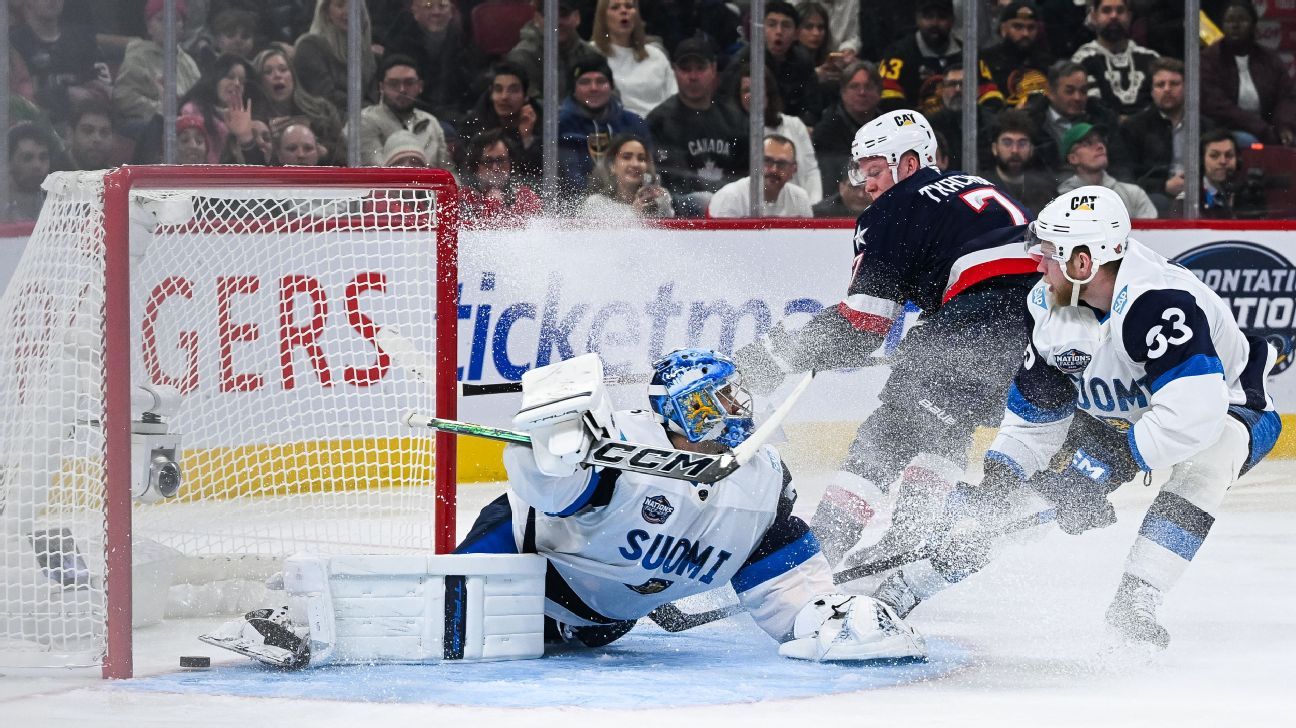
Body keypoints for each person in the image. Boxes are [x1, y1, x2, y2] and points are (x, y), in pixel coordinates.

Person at [204, 350, 928, 667]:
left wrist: (830, 619)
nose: (737, 411)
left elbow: (784, 594)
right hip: (519, 572)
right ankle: (308, 619)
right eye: (717, 401)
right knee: (444, 624)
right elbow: (550, 490)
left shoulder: (761, 484)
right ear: (680, 411)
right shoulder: (618, 459)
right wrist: (552, 445)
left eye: (736, 396)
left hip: (599, 629)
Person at [869, 185, 1281, 650]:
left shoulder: (1159, 304)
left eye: (1048, 252)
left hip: (1228, 405)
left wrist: (1101, 470)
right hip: (1118, 413)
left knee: (1213, 453)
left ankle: (1137, 602)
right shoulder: (1047, 305)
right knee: (1016, 507)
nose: (1037, 263)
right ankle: (902, 591)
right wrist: (1001, 482)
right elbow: (1037, 415)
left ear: (1083, 262)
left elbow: (1193, 416)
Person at [734, 109, 1039, 567]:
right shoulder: (975, 185)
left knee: (891, 431)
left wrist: (777, 357)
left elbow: (862, 326)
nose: (866, 185)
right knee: (945, 421)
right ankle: (914, 532)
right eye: (862, 171)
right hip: (1039, 334)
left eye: (875, 171)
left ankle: (822, 551)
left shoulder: (894, 209)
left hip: (978, 320)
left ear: (910, 164)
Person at [644, 38, 747, 218]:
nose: (693, 76)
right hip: (681, 216)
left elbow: (746, 175)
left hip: (731, 212)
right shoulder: (659, 121)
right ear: (674, 71)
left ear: (714, 69)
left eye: (700, 68)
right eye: (686, 69)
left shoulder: (735, 119)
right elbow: (663, 182)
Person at [1200, 0, 1296, 147]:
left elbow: (1285, 98)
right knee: (1249, 141)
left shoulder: (1270, 59)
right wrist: (1261, 128)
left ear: (1253, 25)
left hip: (1268, 127)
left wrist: (1284, 127)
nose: (1235, 26)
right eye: (1229, 20)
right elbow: (1217, 105)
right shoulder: (1208, 59)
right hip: (1224, 129)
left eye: (1242, 20)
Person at [1119, 57, 1204, 216]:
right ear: (1152, 91)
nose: (1167, 89)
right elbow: (1127, 177)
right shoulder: (1134, 127)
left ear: (1187, 87)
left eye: (1174, 84)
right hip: (1157, 197)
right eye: (1160, 85)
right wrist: (1164, 186)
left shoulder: (1203, 126)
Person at [557, 58, 652, 199]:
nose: (593, 88)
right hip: (580, 208)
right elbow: (569, 180)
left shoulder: (633, 123)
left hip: (631, 201)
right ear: (574, 89)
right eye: (585, 82)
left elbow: (651, 168)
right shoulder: (560, 125)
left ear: (611, 86)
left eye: (601, 81)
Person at [9, 0, 112, 126]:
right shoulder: (12, 43)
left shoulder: (84, 39)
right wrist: (65, 95)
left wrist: (92, 96)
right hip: (35, 127)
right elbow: (16, 96)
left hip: (85, 124)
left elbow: (105, 88)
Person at [730, 65, 822, 203]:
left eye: (757, 90)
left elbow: (811, 171)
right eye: (746, 91)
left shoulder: (794, 125)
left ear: (769, 93)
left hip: (801, 207)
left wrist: (813, 206)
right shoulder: (735, 132)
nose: (751, 95)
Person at [723, 2, 825, 125]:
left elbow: (813, 108)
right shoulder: (744, 59)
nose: (779, 31)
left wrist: (797, 128)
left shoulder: (803, 61)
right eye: (772, 25)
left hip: (791, 129)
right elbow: (727, 105)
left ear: (796, 34)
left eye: (786, 26)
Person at [1022, 60, 1126, 180]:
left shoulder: (1102, 117)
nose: (1077, 97)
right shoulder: (1031, 123)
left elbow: (1121, 164)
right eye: (1069, 91)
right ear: (1050, 93)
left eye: (1083, 91)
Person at [113, 0, 202, 132]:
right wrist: (163, 110)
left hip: (189, 126)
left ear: (182, 27)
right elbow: (125, 97)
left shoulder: (189, 62)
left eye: (175, 20)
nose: (169, 25)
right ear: (149, 27)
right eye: (161, 19)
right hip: (153, 125)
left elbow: (201, 99)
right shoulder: (138, 56)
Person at [381, 0, 474, 124]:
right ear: (415, 12)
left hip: (454, 110)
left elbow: (468, 81)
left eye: (442, 6)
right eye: (428, 6)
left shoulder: (462, 38)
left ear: (451, 11)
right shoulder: (399, 43)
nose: (436, 12)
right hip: (411, 113)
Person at [355, 55, 454, 170]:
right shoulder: (364, 120)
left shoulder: (431, 123)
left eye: (409, 82)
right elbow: (376, 170)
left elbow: (448, 171)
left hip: (430, 187)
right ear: (381, 87)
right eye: (393, 83)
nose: (402, 89)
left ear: (420, 86)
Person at [253, 47, 346, 165]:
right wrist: (270, 140)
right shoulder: (256, 122)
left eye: (283, 69)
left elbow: (346, 152)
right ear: (260, 81)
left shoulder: (322, 109)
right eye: (268, 72)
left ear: (293, 75)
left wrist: (324, 151)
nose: (277, 75)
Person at [1070, 0, 1160, 119]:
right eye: (1106, 10)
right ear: (1094, 16)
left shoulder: (1151, 58)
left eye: (1120, 11)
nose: (1114, 16)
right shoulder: (1082, 60)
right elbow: (1087, 107)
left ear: (1129, 17)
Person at [460, 63, 543, 185]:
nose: (504, 97)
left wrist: (527, 138)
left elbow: (536, 178)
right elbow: (468, 174)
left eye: (513, 90)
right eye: (498, 89)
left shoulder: (542, 123)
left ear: (525, 97)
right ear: (490, 94)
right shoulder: (472, 126)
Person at [590, 0, 676, 118]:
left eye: (629, 6)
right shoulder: (591, 54)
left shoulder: (656, 55)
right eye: (615, 7)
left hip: (658, 127)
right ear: (603, 16)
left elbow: (673, 96)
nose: (624, 11)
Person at [507, 0, 604, 103]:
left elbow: (612, 98)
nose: (557, 22)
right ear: (537, 19)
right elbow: (530, 105)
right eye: (549, 15)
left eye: (563, 14)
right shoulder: (521, 58)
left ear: (577, 17)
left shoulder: (592, 55)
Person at [1057, 123, 1158, 219]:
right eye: (1088, 143)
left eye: (1101, 141)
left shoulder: (1134, 194)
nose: (1100, 146)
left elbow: (1150, 235)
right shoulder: (1062, 198)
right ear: (1073, 158)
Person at [293, 0, 377, 113]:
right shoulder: (309, 46)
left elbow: (374, 94)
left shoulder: (365, 51)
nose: (349, 11)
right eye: (340, 5)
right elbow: (326, 97)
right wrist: (370, 112)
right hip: (331, 119)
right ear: (326, 13)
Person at [877, 0, 961, 111]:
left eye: (942, 17)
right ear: (917, 18)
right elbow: (887, 99)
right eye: (928, 17)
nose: (935, 23)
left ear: (952, 20)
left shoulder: (967, 54)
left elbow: (988, 97)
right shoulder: (897, 54)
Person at [813, 61, 883, 192]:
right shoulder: (826, 131)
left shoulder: (889, 127)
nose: (862, 92)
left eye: (868, 86)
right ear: (843, 92)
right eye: (854, 86)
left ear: (879, 92)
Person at [708, 135, 813, 218]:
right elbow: (719, 244)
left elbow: (806, 243)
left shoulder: (800, 198)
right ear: (755, 162)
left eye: (782, 164)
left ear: (793, 170)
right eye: (767, 161)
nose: (773, 169)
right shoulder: (730, 197)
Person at [1171, 129, 1267, 220]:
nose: (1223, 161)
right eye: (1214, 156)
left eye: (1229, 155)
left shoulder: (1249, 195)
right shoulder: (1188, 201)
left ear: (1238, 160)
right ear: (1201, 161)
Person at [458, 128, 543, 227]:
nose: (495, 168)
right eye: (488, 161)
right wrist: (493, 204)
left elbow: (534, 229)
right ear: (475, 165)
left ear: (511, 163)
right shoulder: (464, 197)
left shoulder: (524, 196)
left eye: (501, 160)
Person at [579, 133, 674, 218]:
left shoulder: (660, 197)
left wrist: (662, 205)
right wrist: (634, 214)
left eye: (641, 159)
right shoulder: (596, 203)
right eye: (626, 157)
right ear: (612, 166)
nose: (635, 164)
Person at [983, 109, 1058, 215]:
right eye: (1007, 143)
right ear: (995, 148)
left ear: (1031, 149)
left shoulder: (1046, 190)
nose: (1015, 150)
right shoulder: (982, 188)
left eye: (1022, 143)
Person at [980, 2, 1054, 108]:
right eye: (1018, 27)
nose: (1025, 33)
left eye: (1031, 28)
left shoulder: (1047, 63)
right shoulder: (986, 59)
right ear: (1004, 29)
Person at [6, 123, 53, 222]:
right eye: (27, 158)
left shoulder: (60, 206)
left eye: (43, 158)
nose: (37, 165)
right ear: (8, 163)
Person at [65, 102, 116, 170]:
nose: (97, 139)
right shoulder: (50, 174)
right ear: (70, 135)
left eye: (105, 132)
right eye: (87, 130)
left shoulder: (116, 177)